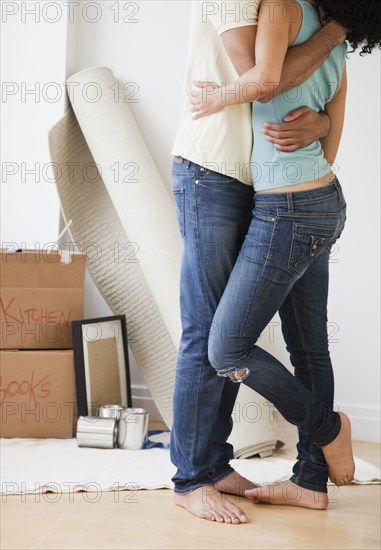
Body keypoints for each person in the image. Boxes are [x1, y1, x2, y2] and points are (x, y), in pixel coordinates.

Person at [190, 0, 381, 514]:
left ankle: (326, 428)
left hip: (287, 211)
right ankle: (310, 483)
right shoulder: (337, 33)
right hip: (323, 200)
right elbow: (331, 140)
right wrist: (314, 127)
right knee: (310, 346)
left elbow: (266, 78)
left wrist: (215, 99)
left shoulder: (280, 6)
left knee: (226, 348)